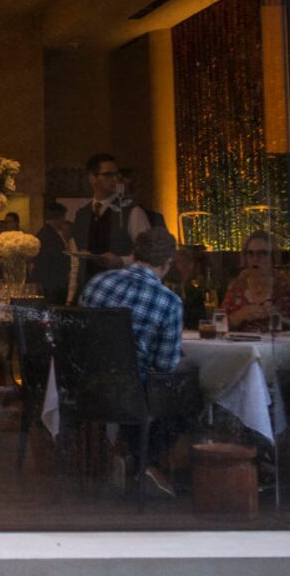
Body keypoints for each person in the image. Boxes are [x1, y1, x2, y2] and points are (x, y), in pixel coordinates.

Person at [81, 226, 187, 496]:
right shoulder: (168, 302)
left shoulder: (97, 283)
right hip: (130, 394)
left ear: (134, 254)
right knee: (186, 395)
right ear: (168, 263)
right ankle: (145, 464)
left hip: (83, 388)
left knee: (139, 390)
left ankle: (128, 456)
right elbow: (164, 366)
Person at [73, 153, 151, 285]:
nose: (115, 179)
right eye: (108, 175)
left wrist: (121, 261)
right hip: (88, 290)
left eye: (117, 174)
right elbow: (76, 263)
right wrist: (71, 298)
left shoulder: (132, 211)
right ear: (92, 178)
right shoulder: (82, 214)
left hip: (120, 289)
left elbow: (149, 254)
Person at [221, 230, 290, 333]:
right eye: (250, 253)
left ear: (272, 257)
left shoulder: (284, 285)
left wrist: (278, 318)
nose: (255, 258)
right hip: (243, 346)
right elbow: (219, 324)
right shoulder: (238, 285)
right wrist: (241, 315)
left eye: (262, 253)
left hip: (276, 347)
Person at [31, 201, 74, 306]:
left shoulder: (46, 232)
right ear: (59, 218)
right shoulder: (49, 235)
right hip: (51, 285)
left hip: (50, 283)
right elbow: (54, 261)